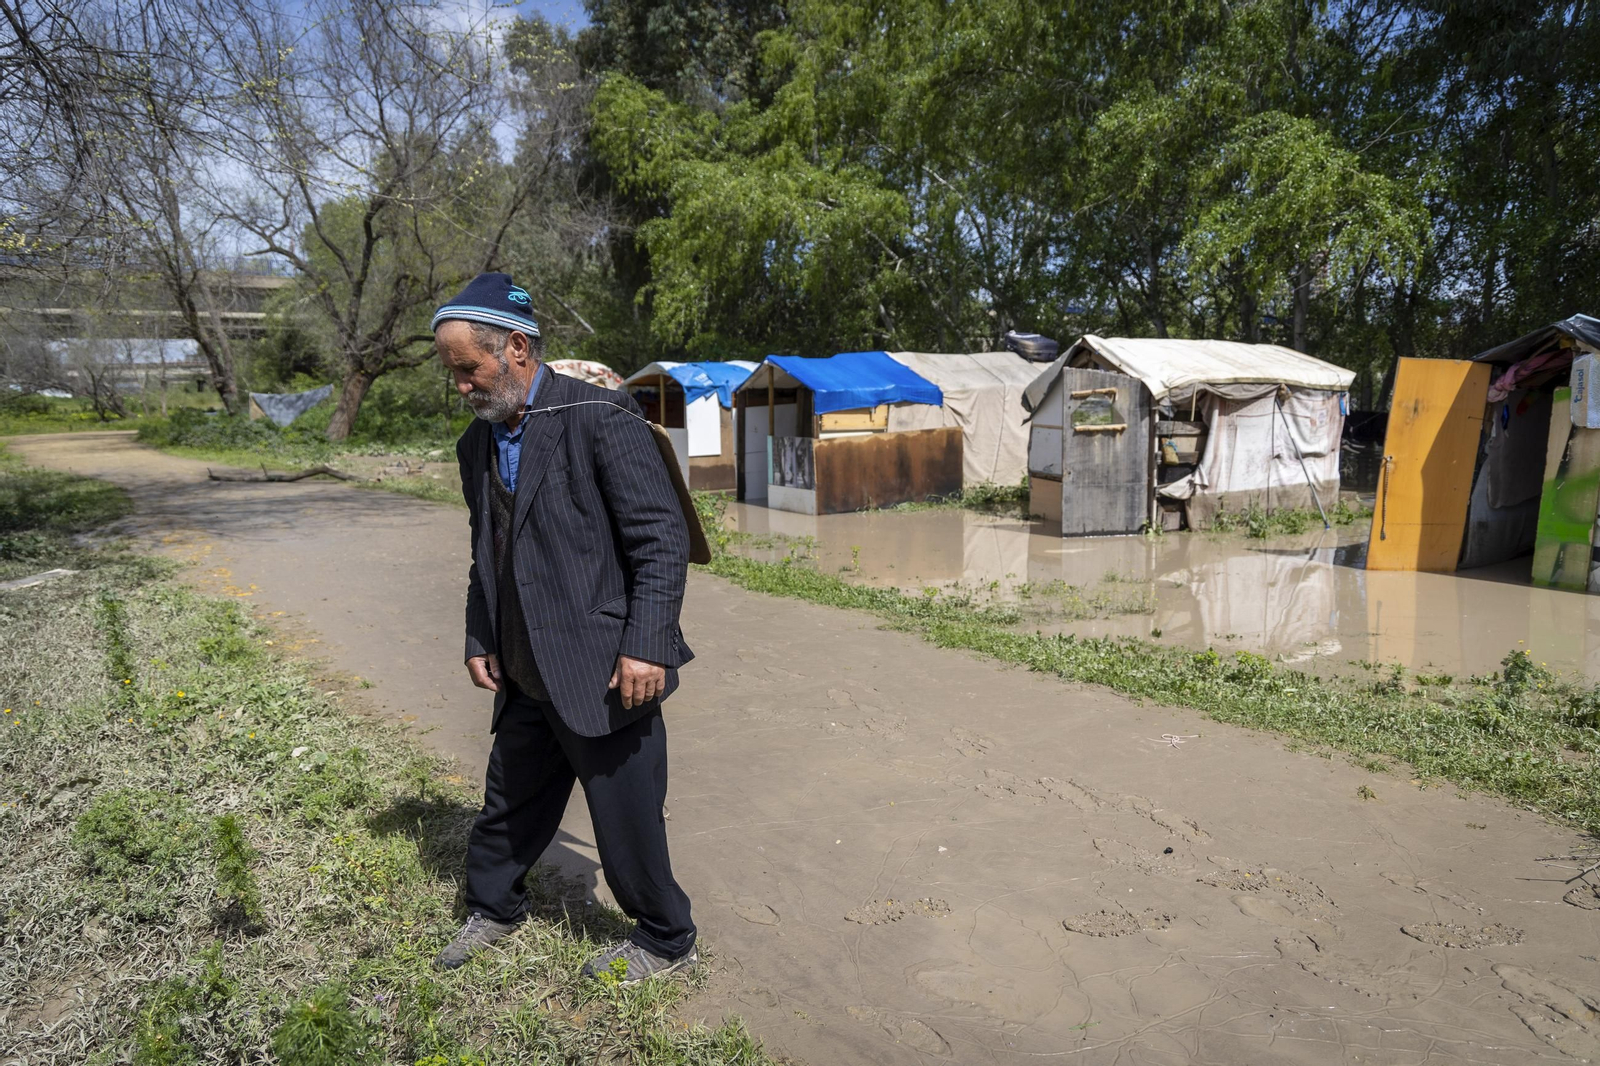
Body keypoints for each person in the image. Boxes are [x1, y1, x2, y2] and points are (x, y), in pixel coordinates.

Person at [430, 272, 698, 983]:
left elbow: (659, 539)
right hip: (523, 667)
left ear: (516, 348)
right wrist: (479, 634)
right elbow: (485, 550)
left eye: (468, 369)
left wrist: (646, 643)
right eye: (452, 372)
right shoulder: (476, 445)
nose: (460, 386)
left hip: (607, 667)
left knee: (627, 822)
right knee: (507, 804)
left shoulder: (600, 416)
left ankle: (665, 938)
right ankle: (494, 907)